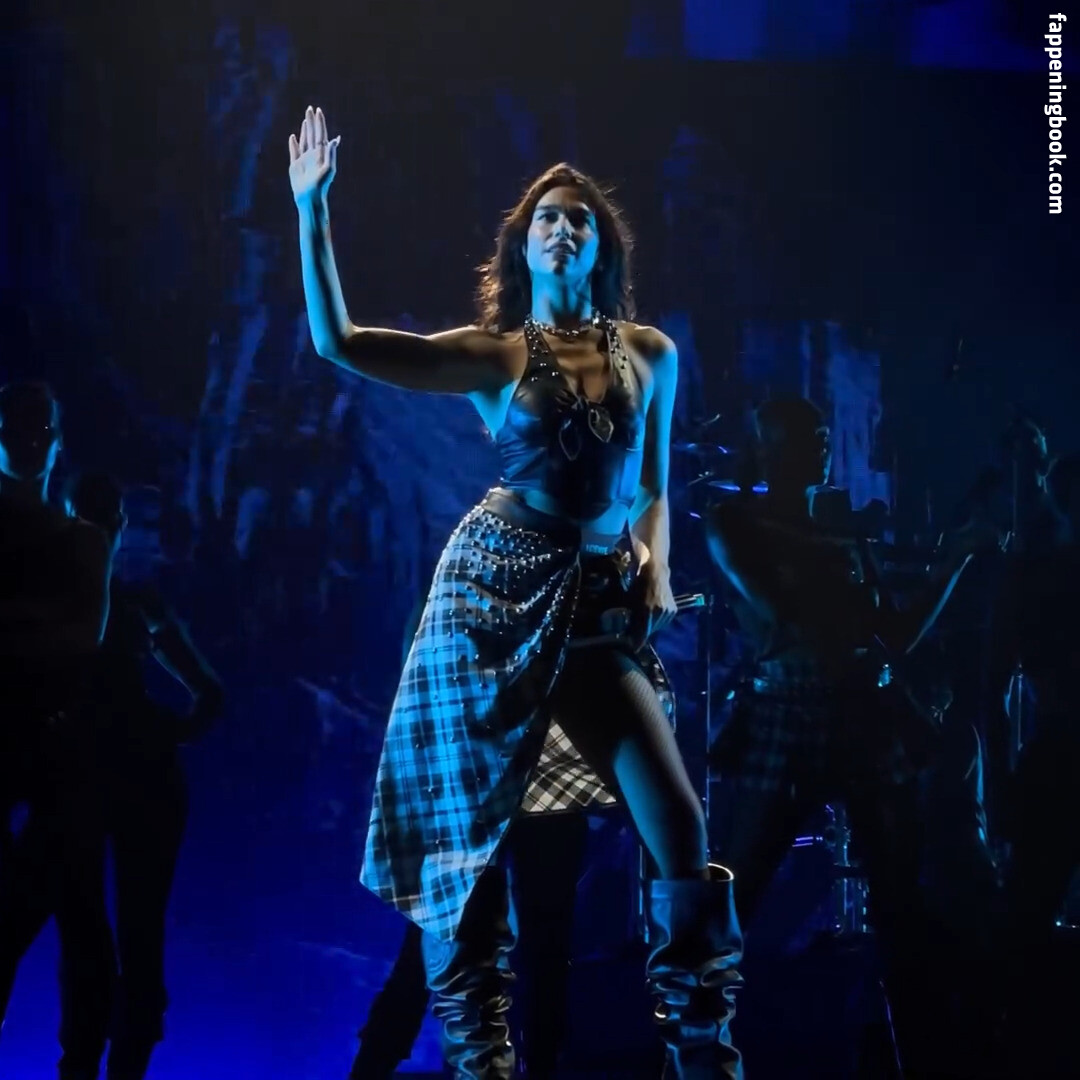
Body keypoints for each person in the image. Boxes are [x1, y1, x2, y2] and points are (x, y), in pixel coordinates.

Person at [289, 105, 742, 1079]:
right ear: (524, 245)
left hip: (597, 614)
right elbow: (341, 342)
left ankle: (707, 1060)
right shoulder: (497, 355)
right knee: (469, 854)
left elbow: (654, 487)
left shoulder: (651, 354)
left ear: (601, 245)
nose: (562, 227)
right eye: (546, 217)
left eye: (579, 218)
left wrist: (656, 563)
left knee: (679, 826)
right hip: (491, 602)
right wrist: (311, 211)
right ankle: (477, 1065)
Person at [706, 395, 995, 1078]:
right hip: (788, 715)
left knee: (898, 903)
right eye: (805, 435)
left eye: (822, 433)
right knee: (739, 889)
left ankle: (918, 1051)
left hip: (858, 716)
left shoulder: (839, 535)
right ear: (766, 448)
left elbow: (891, 638)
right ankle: (694, 1045)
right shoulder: (735, 522)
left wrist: (952, 563)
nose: (823, 445)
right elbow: (790, 616)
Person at [349, 596, 589, 1080]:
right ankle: (377, 1064)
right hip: (490, 758)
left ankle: (375, 1065)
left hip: (522, 755)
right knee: (498, 937)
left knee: (522, 938)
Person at [63, 471, 224, 1080]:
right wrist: (168, 731)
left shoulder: (122, 601)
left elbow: (210, 695)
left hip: (105, 774)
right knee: (120, 930)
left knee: (104, 930)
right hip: (119, 773)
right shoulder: (129, 602)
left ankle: (97, 1058)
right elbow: (209, 695)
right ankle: (111, 1056)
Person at [0, 381, 114, 1080]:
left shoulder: (82, 541)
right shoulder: (81, 543)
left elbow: (82, 640)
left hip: (52, 749)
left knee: (72, 909)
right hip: (43, 742)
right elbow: (75, 637)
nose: (27, 438)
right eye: (15, 426)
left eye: (38, 428)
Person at [991, 452, 1080, 1065]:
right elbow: (994, 687)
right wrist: (999, 783)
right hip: (1055, 759)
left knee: (1027, 921)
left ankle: (1021, 1044)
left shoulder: (1030, 574)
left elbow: (994, 688)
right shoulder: (1032, 575)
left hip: (1053, 757)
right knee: (1027, 918)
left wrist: (1000, 782)